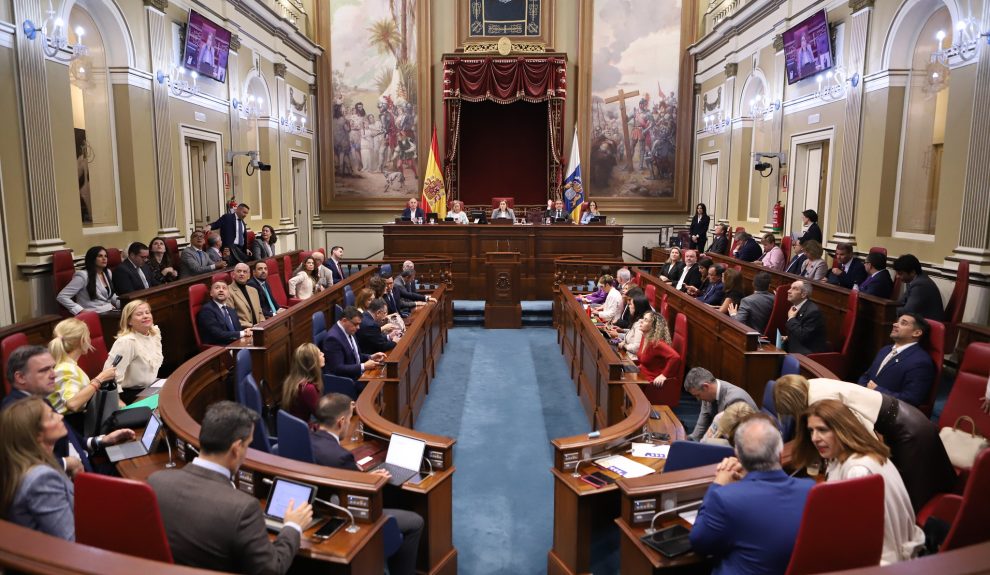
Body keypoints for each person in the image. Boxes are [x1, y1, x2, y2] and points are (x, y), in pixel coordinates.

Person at [149, 401, 312, 573]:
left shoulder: (156, 482)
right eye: (248, 445)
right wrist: (293, 527)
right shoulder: (243, 508)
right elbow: (271, 570)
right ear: (236, 449)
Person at [771, 374, 956, 512]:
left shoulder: (820, 402)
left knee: (914, 497)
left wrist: (868, 456)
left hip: (909, 429)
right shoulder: (809, 386)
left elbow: (858, 430)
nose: (814, 436)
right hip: (899, 420)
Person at [793, 400, 925, 564]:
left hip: (883, 562)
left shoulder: (858, 471)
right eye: (811, 431)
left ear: (843, 429)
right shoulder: (862, 454)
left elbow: (857, 537)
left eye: (822, 430)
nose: (814, 438)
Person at [310, 394, 424, 575]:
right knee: (415, 522)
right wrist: (376, 479)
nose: (349, 424)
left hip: (322, 505)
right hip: (348, 518)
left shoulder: (309, 439)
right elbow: (360, 493)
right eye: (349, 419)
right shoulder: (340, 456)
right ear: (341, 422)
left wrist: (367, 475)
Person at [690, 415, 814, 574]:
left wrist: (718, 484)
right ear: (781, 453)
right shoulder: (810, 490)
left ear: (738, 455)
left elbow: (700, 544)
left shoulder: (725, 498)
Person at [3, 345, 135, 475]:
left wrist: (103, 440)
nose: (53, 375)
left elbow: (73, 440)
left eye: (52, 368)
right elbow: (22, 465)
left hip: (89, 468)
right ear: (20, 377)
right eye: (44, 370)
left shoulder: (41, 399)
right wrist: (65, 463)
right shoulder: (14, 412)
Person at [0, 397, 75, 541]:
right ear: (37, 435)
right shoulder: (41, 479)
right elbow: (70, 541)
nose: (61, 416)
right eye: (52, 416)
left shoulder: (35, 463)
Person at [47, 319, 118, 428]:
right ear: (82, 340)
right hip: (70, 429)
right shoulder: (65, 369)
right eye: (89, 336)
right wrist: (100, 378)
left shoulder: (69, 365)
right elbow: (72, 404)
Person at [857, 314, 935, 407]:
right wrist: (860, 391)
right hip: (863, 401)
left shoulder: (920, 362)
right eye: (897, 321)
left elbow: (911, 400)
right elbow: (867, 375)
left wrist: (877, 390)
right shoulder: (885, 349)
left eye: (903, 323)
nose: (895, 324)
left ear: (916, 333)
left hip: (884, 411)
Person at [105, 300, 164, 403]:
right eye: (139, 314)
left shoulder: (153, 334)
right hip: (129, 394)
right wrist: (118, 402)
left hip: (149, 386)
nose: (145, 316)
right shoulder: (127, 342)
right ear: (129, 321)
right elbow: (110, 375)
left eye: (147, 312)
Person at [684, 367, 757, 442]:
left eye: (698, 395)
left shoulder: (735, 399)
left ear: (705, 387)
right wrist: (692, 439)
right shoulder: (708, 392)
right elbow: (704, 419)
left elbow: (732, 436)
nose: (698, 399)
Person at [322, 306, 387, 384]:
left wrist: (371, 356)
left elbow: (354, 356)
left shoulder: (349, 330)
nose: (358, 327)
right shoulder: (332, 338)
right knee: (378, 384)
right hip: (347, 382)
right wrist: (363, 366)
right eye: (356, 324)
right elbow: (338, 368)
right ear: (344, 320)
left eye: (359, 324)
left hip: (357, 375)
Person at [56, 246, 120, 316]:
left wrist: (122, 303)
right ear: (92, 259)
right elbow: (62, 296)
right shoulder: (83, 276)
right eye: (100, 256)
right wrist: (81, 311)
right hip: (94, 314)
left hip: (109, 311)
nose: (104, 258)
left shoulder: (107, 272)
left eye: (106, 256)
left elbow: (109, 295)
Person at [197, 280, 250, 346]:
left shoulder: (231, 311)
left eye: (224, 288)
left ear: (228, 294)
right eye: (217, 288)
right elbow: (217, 334)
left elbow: (238, 330)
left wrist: (246, 331)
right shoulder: (207, 310)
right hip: (219, 349)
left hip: (237, 344)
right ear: (211, 293)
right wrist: (242, 333)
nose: (221, 290)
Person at [893, 254, 945, 321]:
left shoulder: (920, 285)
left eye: (900, 274)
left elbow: (908, 311)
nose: (897, 277)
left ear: (912, 272)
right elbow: (901, 302)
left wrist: (889, 310)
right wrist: (890, 307)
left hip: (927, 325)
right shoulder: (915, 280)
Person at [281, 343, 324, 422]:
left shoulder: (292, 380)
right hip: (304, 431)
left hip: (297, 428)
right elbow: (322, 416)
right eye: (320, 354)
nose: (323, 354)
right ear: (313, 362)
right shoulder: (308, 388)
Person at [782, 279, 827, 354]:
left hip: (806, 354)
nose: (789, 291)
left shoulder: (813, 311)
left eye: (794, 289)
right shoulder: (796, 306)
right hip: (794, 347)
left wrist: (791, 319)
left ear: (803, 294)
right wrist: (788, 338)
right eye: (790, 288)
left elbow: (804, 336)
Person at [636, 312, 679, 387]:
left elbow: (675, 357)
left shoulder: (657, 343)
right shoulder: (645, 337)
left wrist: (664, 375)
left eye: (645, 320)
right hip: (641, 376)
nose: (641, 321)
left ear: (653, 326)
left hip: (650, 383)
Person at [227, 263, 265, 328]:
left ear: (249, 276)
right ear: (233, 274)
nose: (242, 274)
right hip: (244, 330)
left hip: (259, 328)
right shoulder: (228, 291)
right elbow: (231, 317)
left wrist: (262, 323)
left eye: (245, 272)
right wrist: (252, 326)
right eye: (239, 271)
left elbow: (260, 312)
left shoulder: (253, 290)